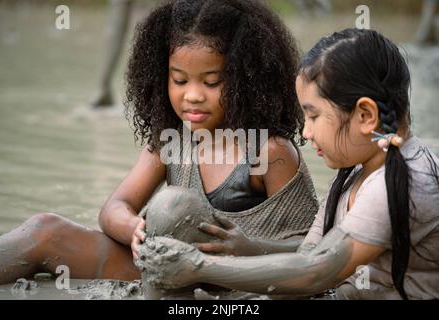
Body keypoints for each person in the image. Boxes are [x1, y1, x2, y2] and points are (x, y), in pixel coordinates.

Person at [0, 0, 319, 287]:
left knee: (175, 204)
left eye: (211, 82)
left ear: (248, 78)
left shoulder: (268, 152)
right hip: (161, 268)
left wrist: (248, 248)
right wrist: (134, 228)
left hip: (230, 280)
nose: (192, 95)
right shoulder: (171, 143)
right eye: (179, 80)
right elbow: (113, 209)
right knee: (44, 230)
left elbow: (315, 249)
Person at [137, 28, 439, 300]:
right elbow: (311, 251)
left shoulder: (403, 180)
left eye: (314, 116)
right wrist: (250, 248)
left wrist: (198, 266)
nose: (305, 133)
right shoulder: (355, 175)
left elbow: (317, 270)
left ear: (365, 116)